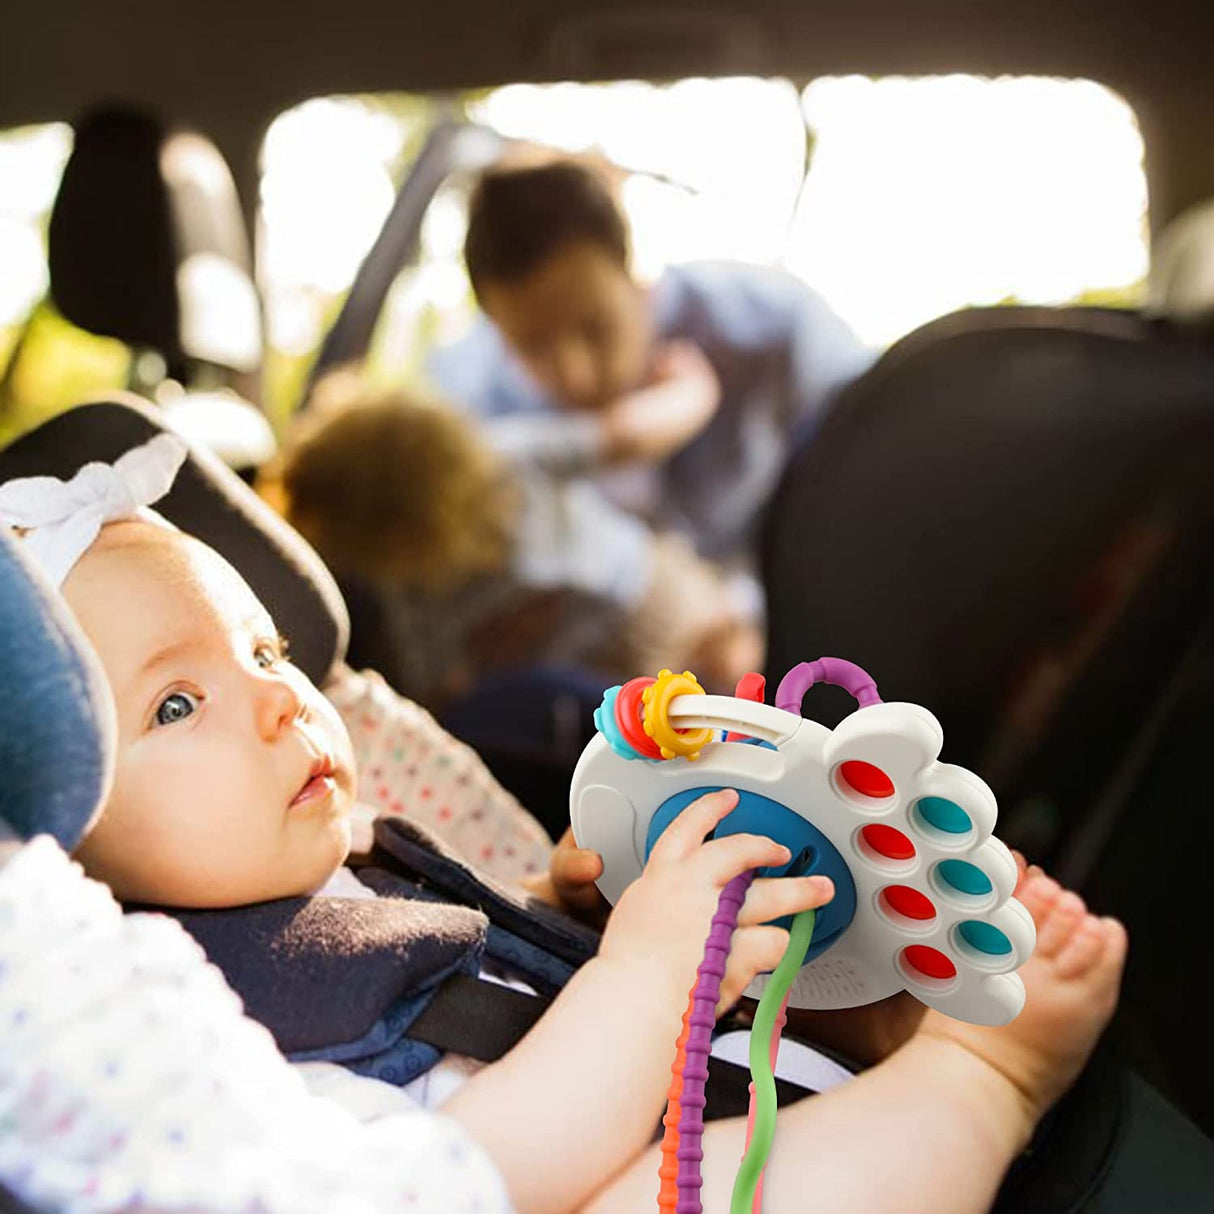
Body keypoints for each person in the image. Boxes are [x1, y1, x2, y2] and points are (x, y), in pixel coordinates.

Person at [1, 438, 1129, 1214]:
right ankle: (984, 1079)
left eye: (267, 652)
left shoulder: (352, 864)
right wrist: (642, 971)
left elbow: (472, 991)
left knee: (797, 952)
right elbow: (475, 1168)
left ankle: (895, 1013)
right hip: (627, 1172)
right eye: (176, 703)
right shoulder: (179, 1039)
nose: (282, 697)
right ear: (57, 832)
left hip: (719, 1086)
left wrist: (572, 915)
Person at [428, 156, 878, 608]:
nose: (575, 374)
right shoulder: (471, 405)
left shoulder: (769, 328)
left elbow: (878, 459)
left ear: (631, 267)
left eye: (594, 327)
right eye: (532, 346)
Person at [268, 374, 763, 705]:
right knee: (743, 677)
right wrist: (694, 388)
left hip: (604, 668)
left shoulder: (412, 590)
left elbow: (439, 691)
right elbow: (626, 434)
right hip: (649, 589)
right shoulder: (503, 457)